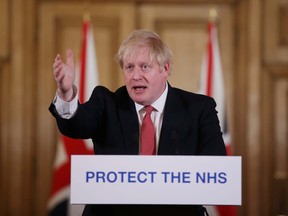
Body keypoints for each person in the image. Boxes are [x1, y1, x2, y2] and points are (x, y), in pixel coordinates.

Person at [49, 29, 226, 216]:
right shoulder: (106, 103)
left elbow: (215, 168)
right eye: (129, 67)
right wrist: (67, 94)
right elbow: (77, 125)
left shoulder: (198, 109)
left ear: (165, 69)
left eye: (144, 67)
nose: (135, 76)